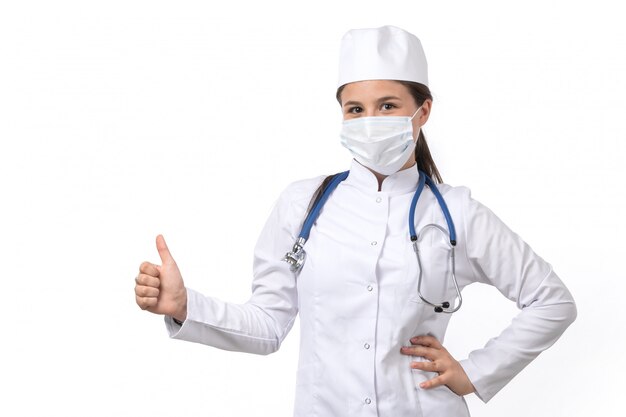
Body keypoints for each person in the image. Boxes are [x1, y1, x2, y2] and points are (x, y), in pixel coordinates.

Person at [134, 25, 577, 417]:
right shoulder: (303, 205)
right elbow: (269, 325)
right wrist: (184, 306)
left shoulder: (456, 212)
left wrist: (475, 372)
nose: (370, 121)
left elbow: (552, 301)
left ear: (422, 113)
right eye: (356, 109)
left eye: (387, 106)